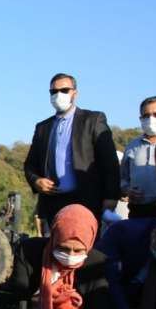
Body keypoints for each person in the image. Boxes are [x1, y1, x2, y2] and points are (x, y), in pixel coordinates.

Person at [24, 73, 120, 230]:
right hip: (52, 204)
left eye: (64, 90)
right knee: (53, 251)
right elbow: (30, 164)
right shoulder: (42, 128)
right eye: (53, 91)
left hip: (86, 202)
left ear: (74, 93)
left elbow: (109, 161)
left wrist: (111, 196)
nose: (58, 95)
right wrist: (36, 181)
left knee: (84, 250)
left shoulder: (93, 120)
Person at [121, 96, 156, 219]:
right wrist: (127, 191)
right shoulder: (132, 146)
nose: (151, 119)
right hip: (139, 211)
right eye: (146, 115)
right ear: (140, 118)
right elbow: (123, 179)